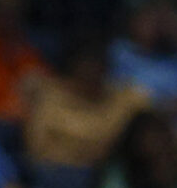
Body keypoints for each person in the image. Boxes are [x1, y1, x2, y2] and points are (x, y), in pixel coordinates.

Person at [27, 30, 153, 172]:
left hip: (109, 170)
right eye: (86, 67)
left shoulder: (123, 97)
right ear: (73, 69)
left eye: (98, 67)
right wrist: (78, 159)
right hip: (62, 171)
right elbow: (37, 150)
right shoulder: (50, 97)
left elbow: (154, 113)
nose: (92, 73)